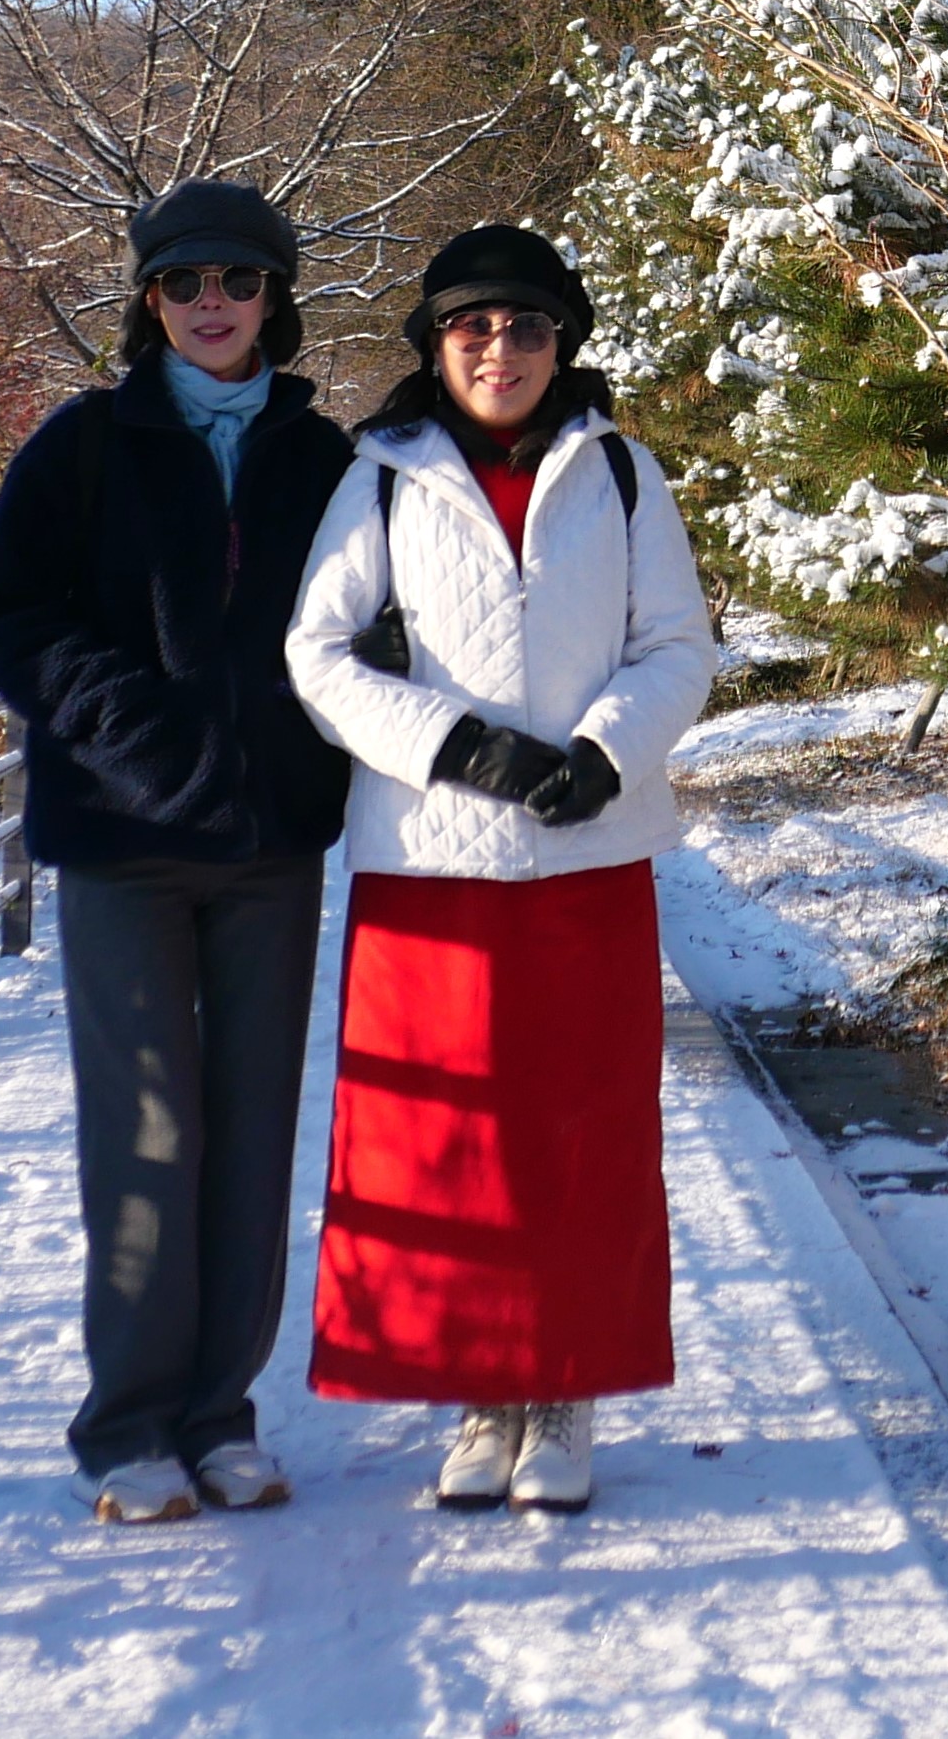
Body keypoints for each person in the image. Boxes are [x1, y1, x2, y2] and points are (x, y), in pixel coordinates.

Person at [284, 223, 715, 1514]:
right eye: (472, 326)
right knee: (447, 1140)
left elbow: (677, 645)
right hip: (431, 864)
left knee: (583, 1132)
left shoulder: (620, 472)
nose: (500, 350)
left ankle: (562, 1390)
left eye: (527, 326)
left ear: (562, 342)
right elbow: (317, 654)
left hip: (589, 856)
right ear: (435, 344)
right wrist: (456, 747)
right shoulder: (381, 477)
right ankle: (483, 1392)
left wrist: (603, 756)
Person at [0, 178, 355, 1525]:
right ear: (149, 301)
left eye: (237, 281)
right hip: (123, 836)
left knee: (250, 1133)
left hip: (270, 842)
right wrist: (132, 729)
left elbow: (382, 624)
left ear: (275, 298)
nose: (211, 305)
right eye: (183, 283)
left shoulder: (325, 458)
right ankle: (127, 1425)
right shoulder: (86, 444)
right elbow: (8, 616)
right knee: (145, 1134)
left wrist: (313, 746)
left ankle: (219, 1416)